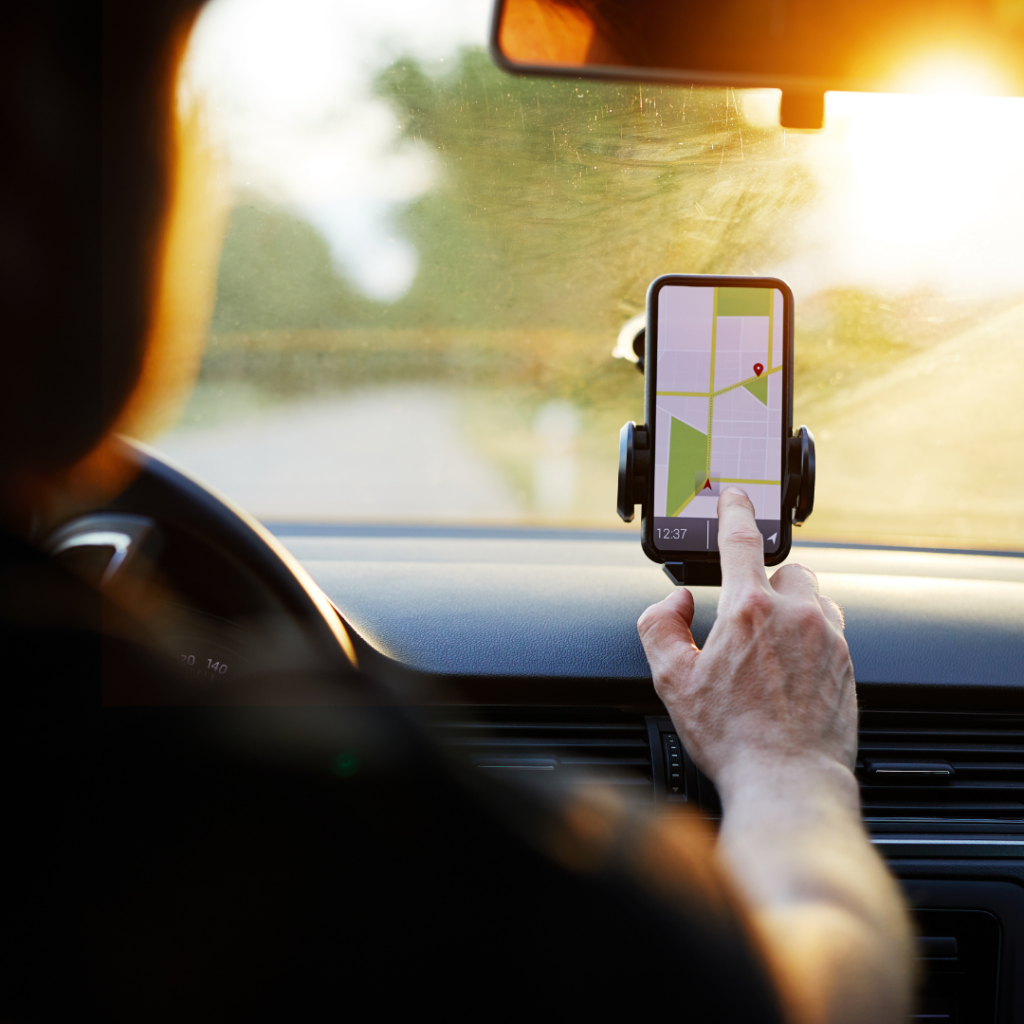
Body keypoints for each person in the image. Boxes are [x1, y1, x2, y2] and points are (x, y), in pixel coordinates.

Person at [1, 3, 912, 1022]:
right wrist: (789, 764)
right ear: (39, 154)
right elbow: (812, 997)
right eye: (170, 92)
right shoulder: (271, 816)